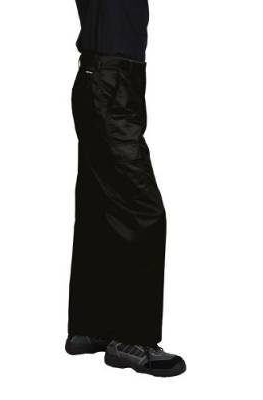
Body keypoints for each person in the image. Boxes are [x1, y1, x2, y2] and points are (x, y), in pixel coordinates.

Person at [65, 0, 186, 377]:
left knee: (100, 204)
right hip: (110, 80)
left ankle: (92, 326)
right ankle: (132, 339)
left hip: (108, 78)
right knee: (140, 210)